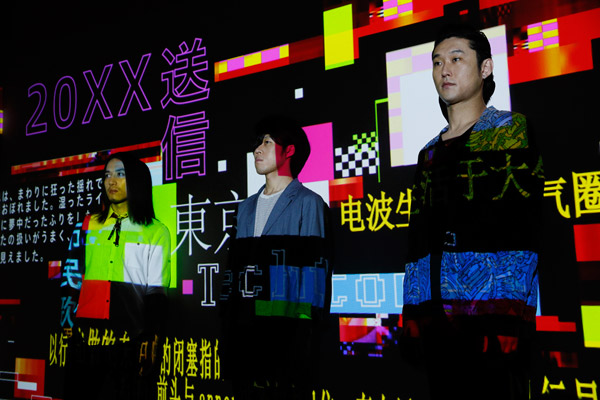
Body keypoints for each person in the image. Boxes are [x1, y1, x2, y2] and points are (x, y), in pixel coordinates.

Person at [401, 24, 544, 400]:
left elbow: (523, 228)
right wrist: (412, 314)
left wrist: (508, 317)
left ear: (485, 68)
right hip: (434, 322)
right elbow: (418, 240)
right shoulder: (429, 152)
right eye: (437, 62)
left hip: (489, 320)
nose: (444, 70)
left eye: (456, 59)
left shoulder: (509, 130)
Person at [221, 115, 331, 400]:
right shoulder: (244, 208)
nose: (257, 150)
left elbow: (314, 282)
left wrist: (303, 345)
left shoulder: (309, 203)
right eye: (257, 143)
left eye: (267, 142)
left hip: (286, 346)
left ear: (289, 150)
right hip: (244, 343)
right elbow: (233, 273)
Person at [60, 152, 171, 400]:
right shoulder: (86, 225)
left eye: (120, 174)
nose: (111, 181)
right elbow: (70, 277)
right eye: (107, 175)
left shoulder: (156, 231)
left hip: (128, 341)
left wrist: (150, 338)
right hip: (86, 340)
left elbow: (156, 290)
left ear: (137, 180)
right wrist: (67, 325)